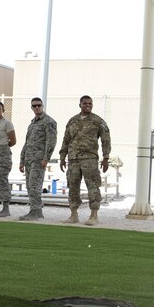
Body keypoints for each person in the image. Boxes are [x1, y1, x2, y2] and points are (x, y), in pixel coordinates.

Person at [58, 95, 111, 226]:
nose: (88, 105)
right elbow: (66, 139)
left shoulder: (98, 121)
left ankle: (94, 215)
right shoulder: (72, 121)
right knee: (73, 186)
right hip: (73, 159)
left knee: (93, 186)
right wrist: (62, 157)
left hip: (90, 159)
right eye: (85, 103)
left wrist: (106, 158)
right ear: (80, 105)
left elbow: (106, 140)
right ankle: (73, 214)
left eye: (90, 103)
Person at [18, 97, 58, 221]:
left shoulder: (48, 121)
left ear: (42, 106)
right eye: (34, 106)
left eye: (39, 105)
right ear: (31, 107)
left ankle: (35, 211)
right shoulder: (32, 123)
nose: (37, 108)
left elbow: (51, 141)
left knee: (35, 186)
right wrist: (22, 160)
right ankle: (36, 211)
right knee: (30, 187)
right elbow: (27, 142)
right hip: (29, 159)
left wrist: (46, 158)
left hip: (38, 159)